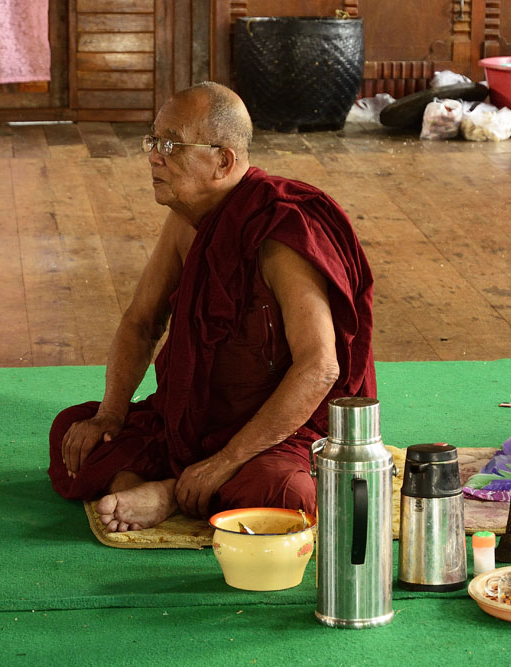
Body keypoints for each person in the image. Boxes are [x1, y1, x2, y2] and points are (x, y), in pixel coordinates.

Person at [47, 82, 375, 532]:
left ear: (223, 160)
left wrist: (223, 463)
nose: (153, 157)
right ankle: (175, 485)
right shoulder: (186, 219)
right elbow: (142, 323)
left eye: (171, 145)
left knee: (287, 495)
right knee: (75, 432)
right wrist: (110, 414)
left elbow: (320, 368)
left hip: (277, 432)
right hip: (194, 419)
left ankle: (167, 492)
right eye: (153, 141)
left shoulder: (282, 231)